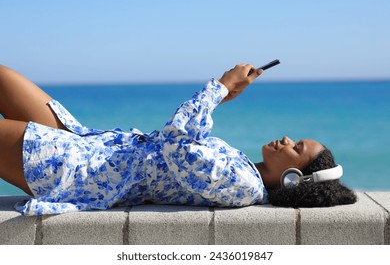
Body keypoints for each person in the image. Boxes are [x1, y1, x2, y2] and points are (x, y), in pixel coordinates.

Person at [0, 64, 356, 216]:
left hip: (79, 169)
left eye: (297, 148)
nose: (287, 139)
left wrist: (219, 88)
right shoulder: (245, 166)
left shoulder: (243, 186)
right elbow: (189, 140)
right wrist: (226, 97)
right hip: (89, 143)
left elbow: (175, 144)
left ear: (293, 179)